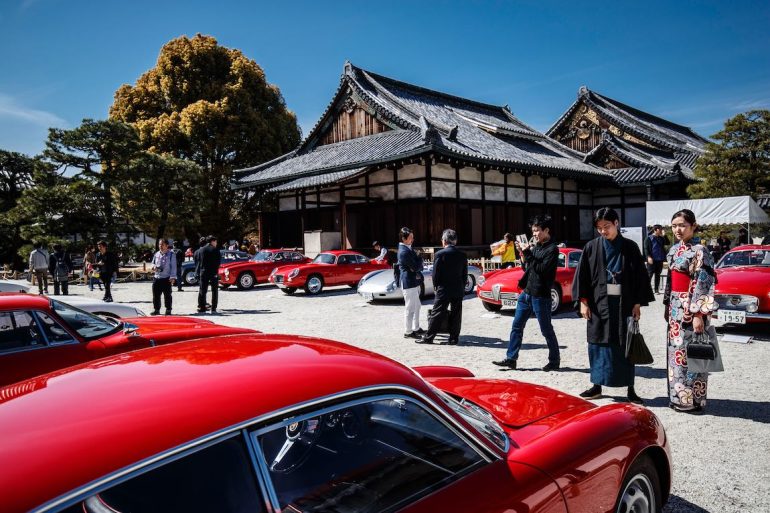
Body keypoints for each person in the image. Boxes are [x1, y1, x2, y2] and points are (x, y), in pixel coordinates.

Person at [572, 207, 653, 405]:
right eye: (599, 228)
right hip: (598, 304)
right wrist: (583, 302)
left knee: (626, 344)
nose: (603, 231)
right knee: (597, 344)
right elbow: (581, 276)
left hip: (623, 303)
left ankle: (630, 388)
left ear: (617, 223)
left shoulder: (630, 247)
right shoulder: (591, 247)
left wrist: (637, 303)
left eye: (606, 226)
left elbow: (639, 278)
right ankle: (596, 386)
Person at [664, 209, 717, 414]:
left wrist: (698, 314)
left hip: (691, 306)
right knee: (676, 354)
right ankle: (678, 397)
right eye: (675, 225)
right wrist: (667, 304)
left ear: (693, 226)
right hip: (676, 307)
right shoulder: (675, 249)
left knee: (692, 353)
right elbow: (669, 282)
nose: (678, 229)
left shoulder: (700, 250)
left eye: (682, 225)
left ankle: (694, 400)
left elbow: (703, 283)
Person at [493, 215, 561, 371]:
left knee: (546, 330)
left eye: (537, 231)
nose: (534, 234)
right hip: (527, 292)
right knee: (516, 326)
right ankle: (511, 358)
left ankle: (555, 360)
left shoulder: (552, 249)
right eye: (533, 231)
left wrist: (528, 253)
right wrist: (522, 254)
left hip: (541, 295)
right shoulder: (535, 246)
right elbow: (528, 268)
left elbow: (542, 270)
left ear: (546, 230)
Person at [417, 229, 467, 345]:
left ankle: (429, 337)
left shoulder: (440, 254)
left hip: (443, 288)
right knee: (456, 313)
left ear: (444, 241)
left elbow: (435, 273)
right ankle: (454, 338)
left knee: (437, 312)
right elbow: (464, 274)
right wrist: (462, 286)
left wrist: (436, 286)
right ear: (455, 241)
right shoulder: (462, 255)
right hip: (458, 288)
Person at [397, 227, 424, 339]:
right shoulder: (404, 251)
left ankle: (416, 328)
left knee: (417, 306)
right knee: (410, 307)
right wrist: (419, 260)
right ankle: (408, 331)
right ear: (404, 238)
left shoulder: (407, 248)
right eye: (410, 237)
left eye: (413, 237)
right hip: (408, 281)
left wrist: (418, 263)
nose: (412, 239)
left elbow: (416, 266)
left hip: (412, 280)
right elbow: (416, 266)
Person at [150, 239, 177, 315]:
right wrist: (153, 267)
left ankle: (168, 309)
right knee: (156, 295)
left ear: (167, 245)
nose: (160, 246)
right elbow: (152, 263)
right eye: (159, 244)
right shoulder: (157, 254)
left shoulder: (171, 254)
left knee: (167, 295)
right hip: (157, 278)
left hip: (166, 278)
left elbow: (173, 267)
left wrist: (173, 277)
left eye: (162, 244)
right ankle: (156, 309)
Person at [197, 235, 221, 314]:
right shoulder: (215, 250)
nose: (216, 243)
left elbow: (199, 262)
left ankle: (202, 307)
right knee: (214, 290)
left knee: (203, 290)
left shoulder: (201, 250)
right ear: (212, 241)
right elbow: (218, 262)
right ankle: (213, 308)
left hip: (203, 272)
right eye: (216, 241)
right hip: (213, 272)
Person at [644, 224, 669, 294]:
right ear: (655, 230)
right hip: (651, 260)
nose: (661, 230)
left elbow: (667, 243)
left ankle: (656, 290)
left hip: (660, 260)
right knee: (649, 275)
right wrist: (648, 257)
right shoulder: (649, 238)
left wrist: (664, 235)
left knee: (658, 275)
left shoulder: (661, 238)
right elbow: (646, 249)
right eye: (660, 229)